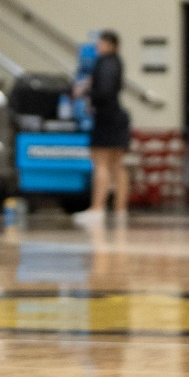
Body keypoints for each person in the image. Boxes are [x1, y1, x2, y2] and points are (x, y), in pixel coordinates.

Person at [75, 30, 131, 229]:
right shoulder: (116, 62)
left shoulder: (106, 63)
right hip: (116, 116)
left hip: (107, 117)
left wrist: (86, 92)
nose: (98, 46)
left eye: (101, 43)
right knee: (117, 164)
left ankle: (97, 209)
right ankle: (120, 210)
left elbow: (104, 91)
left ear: (110, 45)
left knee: (101, 161)